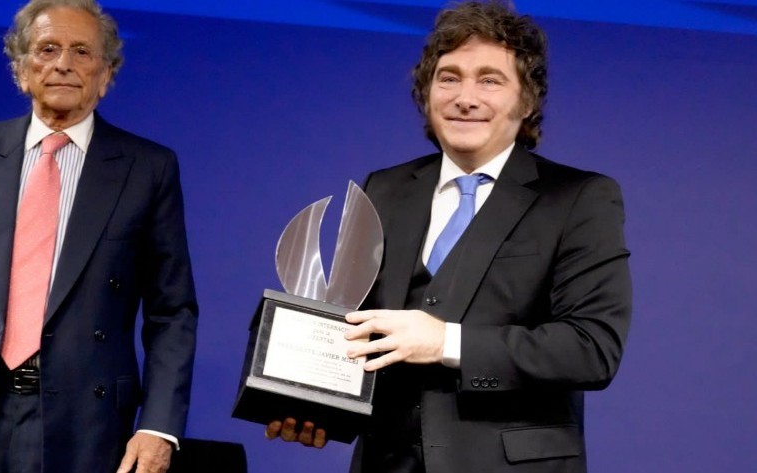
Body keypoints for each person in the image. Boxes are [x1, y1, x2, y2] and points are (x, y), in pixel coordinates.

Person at [266, 1, 632, 472]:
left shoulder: (579, 198)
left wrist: (446, 342)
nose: (465, 97)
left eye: (490, 80)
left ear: (527, 101)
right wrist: (310, 401)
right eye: (449, 78)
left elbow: (591, 348)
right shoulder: (386, 188)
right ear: (426, 93)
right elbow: (353, 323)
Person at [0, 1, 198, 472]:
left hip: (84, 423)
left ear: (106, 74)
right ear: (21, 70)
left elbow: (171, 311)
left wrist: (158, 426)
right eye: (47, 49)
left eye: (82, 52)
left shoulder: (148, 168)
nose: (63, 64)